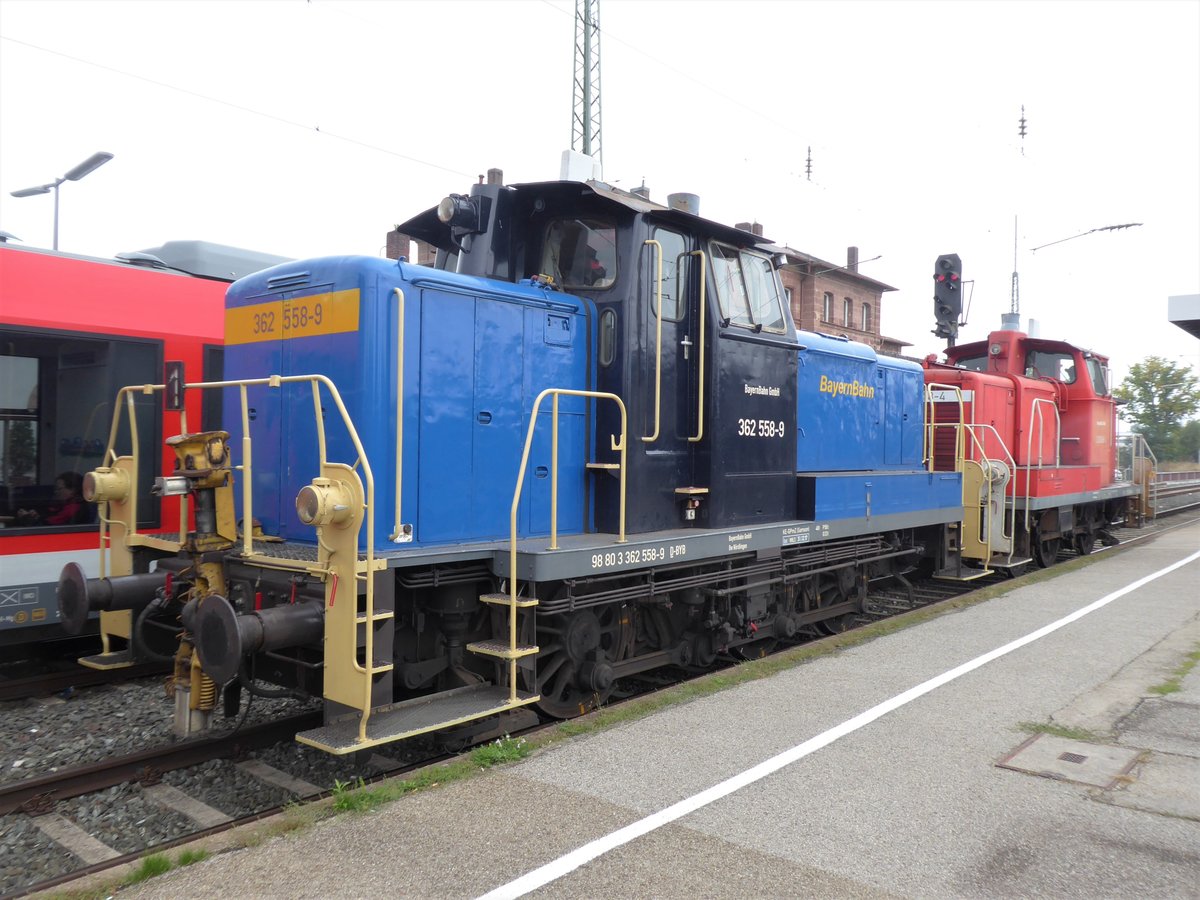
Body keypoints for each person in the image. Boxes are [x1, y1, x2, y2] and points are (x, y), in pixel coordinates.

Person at [16, 471, 86, 526]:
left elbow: (48, 526)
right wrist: (36, 516)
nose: (56, 492)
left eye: (59, 489)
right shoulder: (63, 505)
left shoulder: (73, 508)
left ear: (72, 490)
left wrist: (28, 519)